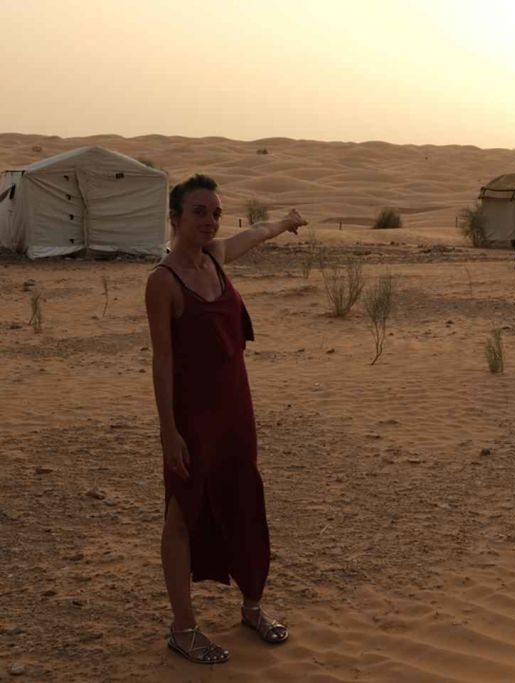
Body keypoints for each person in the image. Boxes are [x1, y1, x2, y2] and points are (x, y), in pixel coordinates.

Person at [145, 174, 306, 665]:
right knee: (182, 512)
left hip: (236, 409)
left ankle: (252, 607)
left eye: (215, 213)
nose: (210, 221)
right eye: (199, 212)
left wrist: (286, 222)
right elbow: (162, 361)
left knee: (244, 500)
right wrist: (169, 432)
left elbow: (255, 233)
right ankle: (183, 629)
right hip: (192, 418)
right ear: (175, 218)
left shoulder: (215, 258)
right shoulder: (163, 281)